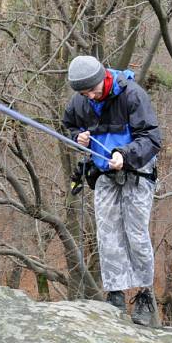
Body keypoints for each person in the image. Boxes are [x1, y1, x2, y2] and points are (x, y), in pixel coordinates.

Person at [62, 55, 162, 326]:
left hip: (136, 171)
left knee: (135, 233)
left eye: (93, 90)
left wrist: (124, 155)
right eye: (85, 93)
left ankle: (144, 294)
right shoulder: (81, 101)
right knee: (107, 233)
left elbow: (152, 139)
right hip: (104, 172)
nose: (91, 97)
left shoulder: (132, 96)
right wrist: (77, 137)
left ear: (103, 78)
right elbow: (69, 124)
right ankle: (115, 293)